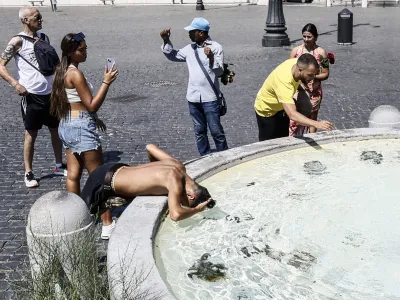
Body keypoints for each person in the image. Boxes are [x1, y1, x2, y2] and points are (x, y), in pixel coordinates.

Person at [50, 32, 118, 234]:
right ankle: (107, 224)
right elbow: (91, 105)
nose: (86, 51)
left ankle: (77, 219)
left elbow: (73, 102)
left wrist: (94, 120)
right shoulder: (75, 74)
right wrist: (106, 82)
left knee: (73, 175)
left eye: (86, 47)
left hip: (67, 123)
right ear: (71, 52)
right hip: (81, 127)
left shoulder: (61, 71)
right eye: (82, 49)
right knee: (98, 176)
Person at [81, 144, 214, 240]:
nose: (180, 201)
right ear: (191, 195)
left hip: (114, 168)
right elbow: (176, 214)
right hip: (102, 182)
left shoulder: (178, 165)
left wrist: (154, 175)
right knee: (77, 224)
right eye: (185, 202)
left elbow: (150, 147)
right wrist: (197, 209)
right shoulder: (175, 181)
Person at [0, 7, 66, 188]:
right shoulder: (17, 41)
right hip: (31, 96)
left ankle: (59, 165)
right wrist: (16, 84)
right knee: (31, 133)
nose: (41, 19)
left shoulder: (43, 38)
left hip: (51, 94)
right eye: (37, 17)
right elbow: (1, 65)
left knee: (55, 128)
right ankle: (28, 172)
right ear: (26, 20)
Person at [160, 17, 228, 156]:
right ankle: (204, 156)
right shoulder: (189, 49)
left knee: (216, 131)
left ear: (201, 33)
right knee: (199, 130)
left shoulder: (216, 47)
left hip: (210, 97)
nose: (189, 34)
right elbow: (173, 55)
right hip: (193, 98)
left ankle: (225, 156)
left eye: (192, 31)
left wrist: (211, 58)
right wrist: (166, 40)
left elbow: (220, 72)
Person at [254, 53, 333, 141]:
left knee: (283, 140)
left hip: (281, 108)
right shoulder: (284, 82)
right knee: (268, 145)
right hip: (267, 111)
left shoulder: (297, 63)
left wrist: (302, 91)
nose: (312, 78)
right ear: (300, 70)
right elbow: (292, 114)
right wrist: (316, 124)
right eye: (310, 75)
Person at [288, 23, 330, 135]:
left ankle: (312, 139)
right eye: (304, 36)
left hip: (314, 92)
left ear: (315, 37)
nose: (306, 39)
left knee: (312, 118)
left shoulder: (321, 52)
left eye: (309, 37)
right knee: (295, 118)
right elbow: (289, 71)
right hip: (298, 91)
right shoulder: (296, 51)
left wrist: (313, 76)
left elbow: (326, 74)